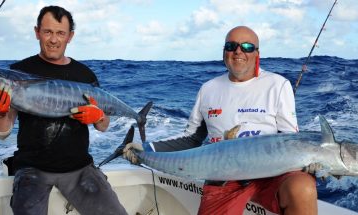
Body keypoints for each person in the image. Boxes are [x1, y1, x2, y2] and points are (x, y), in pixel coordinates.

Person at [123, 26, 317, 215]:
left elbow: (291, 140)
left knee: (303, 187)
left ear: (257, 53)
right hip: (223, 177)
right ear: (224, 52)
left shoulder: (278, 85)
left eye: (247, 47)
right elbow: (191, 139)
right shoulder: (208, 89)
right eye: (231, 46)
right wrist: (146, 149)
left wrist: (311, 161)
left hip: (272, 174)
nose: (238, 51)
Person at [0, 5, 127, 215]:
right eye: (48, 31)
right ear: (37, 32)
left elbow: (103, 126)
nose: (53, 39)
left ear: (70, 36)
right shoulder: (17, 72)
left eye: (60, 33)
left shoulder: (84, 74)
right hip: (32, 169)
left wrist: (99, 116)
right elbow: (2, 132)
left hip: (80, 167)